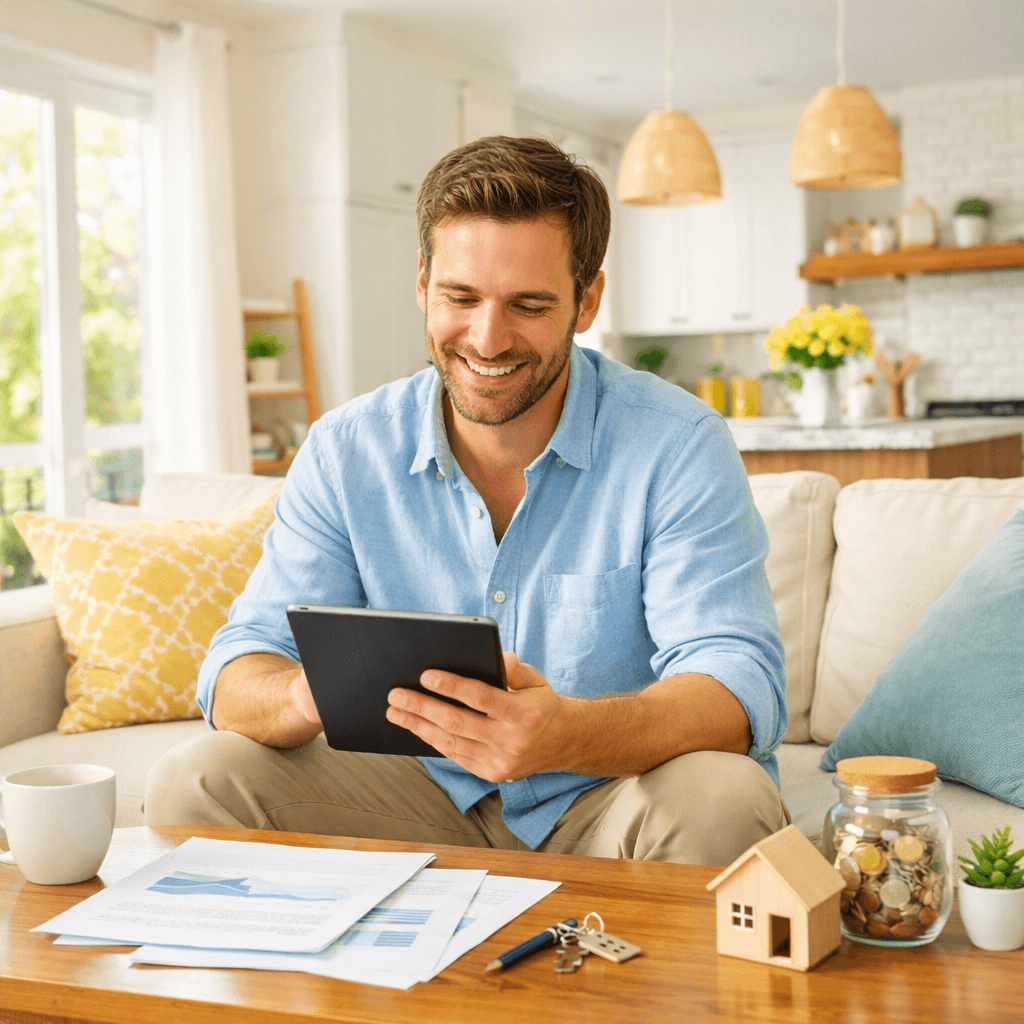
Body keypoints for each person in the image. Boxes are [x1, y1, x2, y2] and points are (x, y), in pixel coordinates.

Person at [145, 136, 790, 864]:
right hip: (412, 795)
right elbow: (237, 669)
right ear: (423, 282)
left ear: (588, 301)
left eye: (529, 304)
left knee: (725, 799)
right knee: (194, 780)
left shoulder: (677, 444)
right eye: (461, 296)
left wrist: (565, 734)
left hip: (606, 796)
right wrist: (301, 696)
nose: (488, 338)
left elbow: (738, 684)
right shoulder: (344, 449)